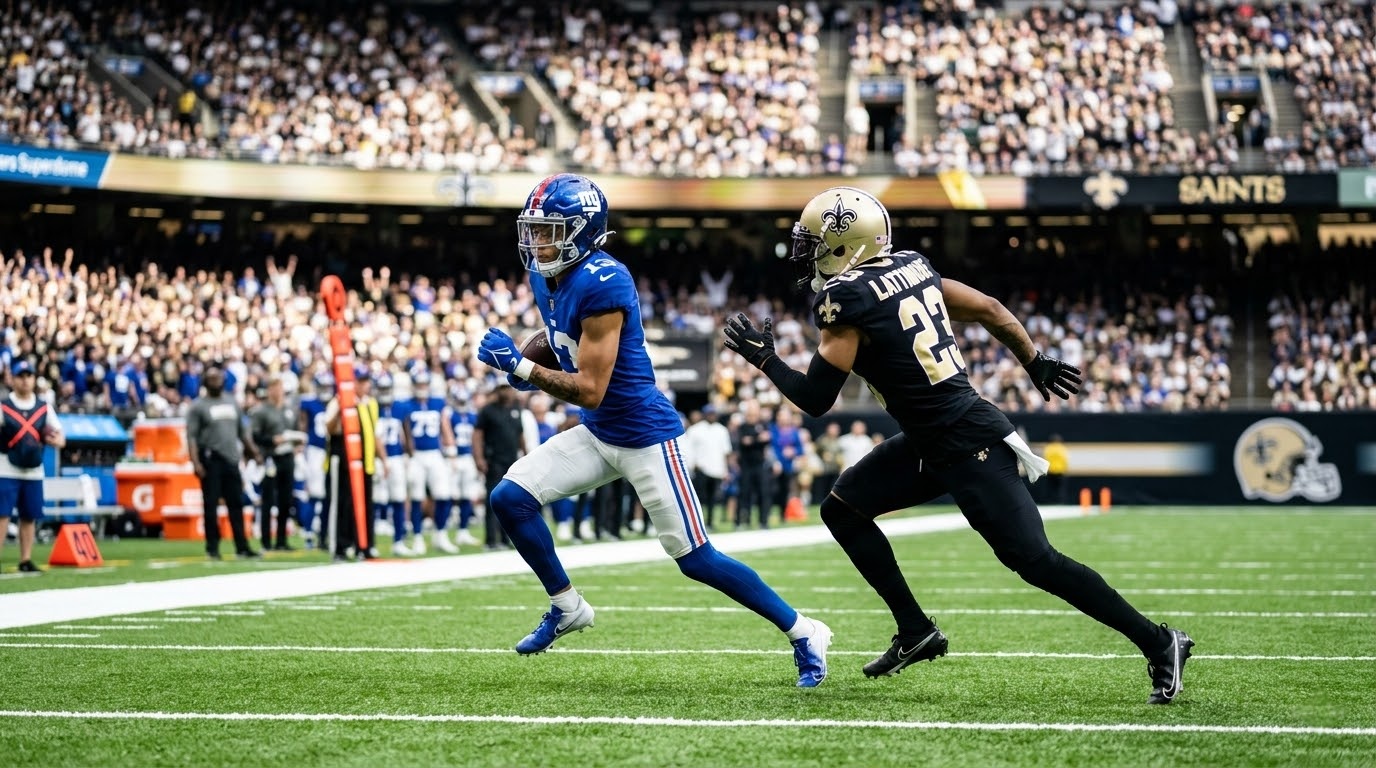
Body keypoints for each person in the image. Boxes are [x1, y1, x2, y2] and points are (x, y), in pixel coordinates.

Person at [723, 186, 1192, 703]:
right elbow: (990, 308)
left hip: (966, 441)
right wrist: (1034, 361)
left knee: (1035, 560)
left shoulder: (845, 300)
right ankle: (915, 629)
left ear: (845, 243)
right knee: (843, 508)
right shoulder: (912, 266)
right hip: (931, 438)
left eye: (814, 243)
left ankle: (1159, 641)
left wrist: (765, 360)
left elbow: (816, 399)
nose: (807, 254)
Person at [475, 173, 831, 687]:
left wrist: (522, 368)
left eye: (549, 231)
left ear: (582, 231)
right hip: (598, 432)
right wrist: (530, 358)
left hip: (644, 436)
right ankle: (567, 606)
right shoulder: (546, 276)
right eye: (533, 229)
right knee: (510, 498)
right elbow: (560, 334)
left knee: (696, 559)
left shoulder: (604, 280)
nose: (537, 242)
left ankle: (805, 631)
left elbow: (591, 388)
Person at [186, 367, 261, 560]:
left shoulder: (232, 402)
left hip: (231, 459)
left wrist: (253, 451)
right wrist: (195, 462)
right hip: (211, 458)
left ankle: (242, 546)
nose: (216, 381)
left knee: (236, 504)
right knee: (211, 505)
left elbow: (242, 432)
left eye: (218, 378)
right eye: (211, 378)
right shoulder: (198, 406)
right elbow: (192, 437)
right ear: (205, 382)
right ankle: (212, 547)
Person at [0, 360, 64, 573]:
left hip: (33, 470)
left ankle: (25, 559)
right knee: (2, 514)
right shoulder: (4, 406)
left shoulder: (43, 407)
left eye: (29, 376)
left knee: (29, 515)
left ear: (34, 379)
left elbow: (60, 435)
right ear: (13, 379)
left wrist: (56, 440)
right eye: (21, 376)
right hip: (6, 468)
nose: (25, 380)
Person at [472, 383, 524, 551]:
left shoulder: (516, 409)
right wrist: (479, 458)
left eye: (508, 388)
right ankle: (490, 540)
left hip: (512, 461)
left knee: (510, 500)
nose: (506, 392)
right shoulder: (488, 410)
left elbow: (520, 434)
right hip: (494, 461)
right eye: (502, 389)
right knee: (493, 500)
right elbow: (477, 435)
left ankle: (506, 538)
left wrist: (526, 455)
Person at [249, 376, 299, 550]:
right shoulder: (261, 411)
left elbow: (295, 430)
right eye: (275, 388)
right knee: (268, 500)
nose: (278, 392)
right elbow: (255, 436)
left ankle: (281, 541)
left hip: (288, 456)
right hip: (270, 457)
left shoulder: (289, 409)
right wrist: (272, 440)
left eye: (280, 388)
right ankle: (266, 541)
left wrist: (297, 442)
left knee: (286, 500)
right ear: (269, 390)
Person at [682, 405, 732, 530]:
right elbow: (688, 449)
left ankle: (710, 522)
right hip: (701, 468)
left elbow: (725, 452)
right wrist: (692, 464)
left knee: (713, 498)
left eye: (713, 414)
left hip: (716, 469)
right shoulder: (695, 430)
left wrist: (725, 470)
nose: (712, 416)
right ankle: (698, 523)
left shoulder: (722, 430)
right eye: (710, 414)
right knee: (699, 498)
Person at [1043, 433, 1070, 505]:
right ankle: (1061, 502)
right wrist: (1065, 469)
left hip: (1050, 471)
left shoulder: (1048, 448)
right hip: (1060, 471)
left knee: (1050, 488)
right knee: (1060, 489)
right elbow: (1065, 460)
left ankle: (1050, 502)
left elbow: (1046, 458)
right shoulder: (1062, 448)